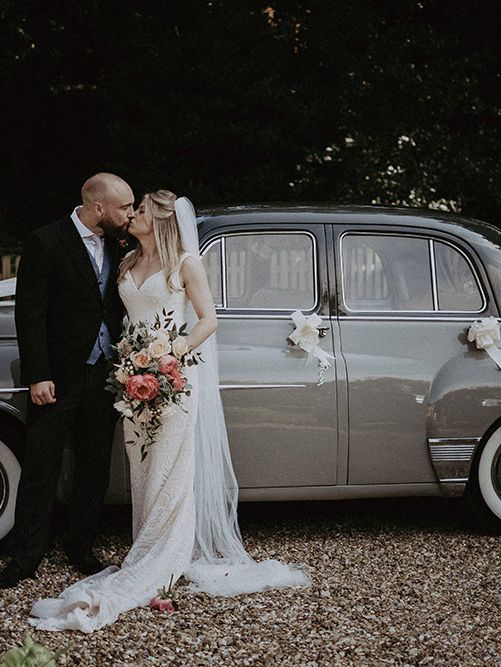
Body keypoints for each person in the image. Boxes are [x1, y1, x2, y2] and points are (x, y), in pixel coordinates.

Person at [27, 190, 309, 632]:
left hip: (174, 378)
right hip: (133, 380)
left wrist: (172, 354)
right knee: (143, 468)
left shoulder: (185, 265)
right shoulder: (125, 262)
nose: (131, 215)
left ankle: (164, 558)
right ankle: (145, 544)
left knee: (171, 468)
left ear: (158, 219)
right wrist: (131, 363)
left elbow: (208, 319)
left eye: (138, 210)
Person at [0, 173, 134, 589]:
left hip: (103, 374)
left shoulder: (119, 242)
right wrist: (39, 374)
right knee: (41, 466)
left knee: (92, 467)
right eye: (124, 207)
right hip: (56, 377)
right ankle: (25, 556)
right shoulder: (46, 240)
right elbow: (31, 312)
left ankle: (81, 548)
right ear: (99, 208)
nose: (130, 214)